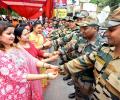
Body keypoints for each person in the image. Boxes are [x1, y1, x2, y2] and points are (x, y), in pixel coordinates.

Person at [0, 21, 58, 100]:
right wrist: (46, 76)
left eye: (13, 33)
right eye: (8, 33)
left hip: (25, 88)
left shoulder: (16, 46)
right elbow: (19, 76)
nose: (13, 36)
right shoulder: (1, 55)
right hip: (11, 93)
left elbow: (32, 60)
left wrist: (50, 66)